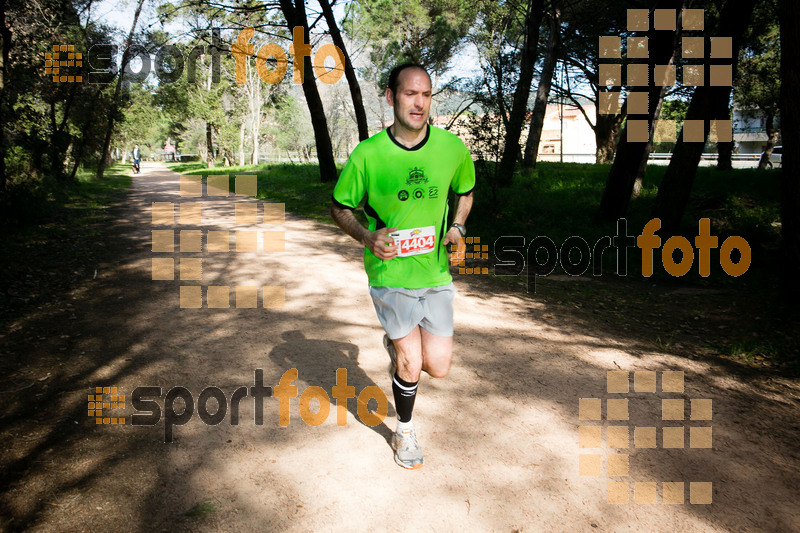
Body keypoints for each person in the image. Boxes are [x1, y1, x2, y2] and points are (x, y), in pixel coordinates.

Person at [330, 63, 475, 469]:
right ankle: (405, 432)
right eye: (410, 94)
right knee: (412, 361)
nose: (419, 103)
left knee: (439, 367)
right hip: (389, 274)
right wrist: (366, 236)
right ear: (392, 97)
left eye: (426, 95)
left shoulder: (452, 149)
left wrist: (459, 228)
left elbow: (465, 191)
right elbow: (339, 207)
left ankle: (397, 352)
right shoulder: (369, 155)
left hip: (435, 275)